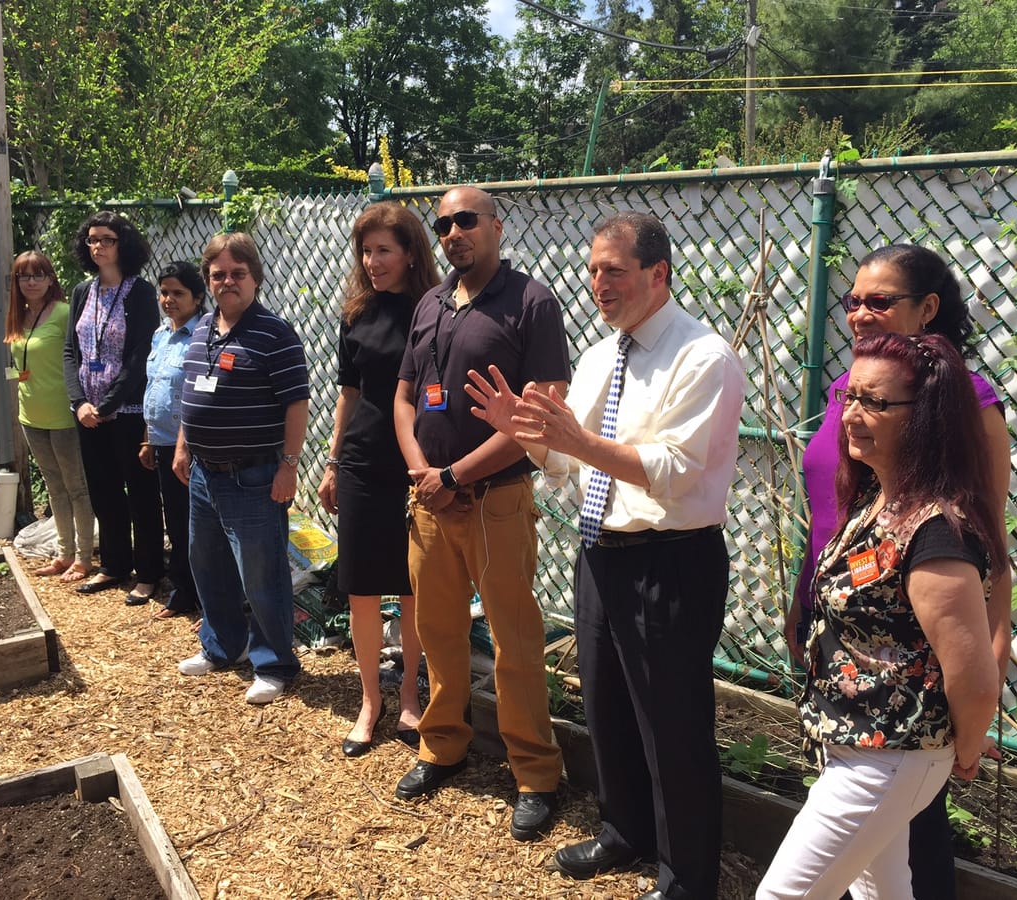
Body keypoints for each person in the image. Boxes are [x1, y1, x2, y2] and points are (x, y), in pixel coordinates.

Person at [466, 211, 746, 900]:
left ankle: (687, 882)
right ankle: (626, 834)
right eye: (592, 270)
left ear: (659, 274)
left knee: (673, 728)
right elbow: (566, 465)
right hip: (602, 554)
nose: (598, 283)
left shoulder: (702, 357)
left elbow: (674, 470)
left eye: (612, 270)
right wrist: (527, 435)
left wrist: (579, 442)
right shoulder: (598, 358)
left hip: (670, 560)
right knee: (608, 708)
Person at [783, 243, 1012, 899]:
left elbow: (983, 539)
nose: (858, 313)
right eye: (852, 301)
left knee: (910, 834)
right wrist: (809, 605)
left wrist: (989, 649)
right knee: (878, 867)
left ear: (929, 309)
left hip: (909, 655)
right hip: (844, 610)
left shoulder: (963, 404)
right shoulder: (849, 393)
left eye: (878, 301)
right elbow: (834, 509)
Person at [392, 186, 568, 841]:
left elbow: (539, 415)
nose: (453, 232)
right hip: (429, 504)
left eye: (466, 220)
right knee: (437, 633)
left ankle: (537, 774)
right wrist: (421, 471)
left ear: (496, 224)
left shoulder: (531, 303)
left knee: (514, 643)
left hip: (496, 505)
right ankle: (442, 745)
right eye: (442, 224)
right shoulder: (431, 304)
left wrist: (455, 475)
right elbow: (404, 398)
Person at [317, 204, 439, 756]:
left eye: (384, 250)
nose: (372, 262)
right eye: (366, 252)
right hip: (364, 462)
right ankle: (371, 700)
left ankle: (411, 696)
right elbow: (349, 394)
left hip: (417, 465)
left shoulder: (434, 311)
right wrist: (332, 462)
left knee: (414, 589)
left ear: (411, 252)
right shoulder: (356, 313)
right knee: (362, 588)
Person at [173, 232, 309, 705]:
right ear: (208, 280)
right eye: (218, 274)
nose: (227, 281)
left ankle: (274, 664)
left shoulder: (274, 333)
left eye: (237, 273)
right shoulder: (203, 327)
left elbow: (297, 404)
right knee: (206, 564)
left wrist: (288, 466)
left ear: (254, 278)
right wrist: (183, 446)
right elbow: (193, 393)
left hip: (252, 475)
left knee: (261, 572)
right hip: (204, 474)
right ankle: (221, 646)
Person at [63, 210, 164, 603]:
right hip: (88, 415)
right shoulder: (82, 292)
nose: (98, 246)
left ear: (123, 244)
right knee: (103, 490)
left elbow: (142, 355)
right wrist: (80, 403)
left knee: (140, 493)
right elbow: (70, 351)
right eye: (92, 240)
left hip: (127, 412)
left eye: (106, 239)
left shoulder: (140, 292)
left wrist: (107, 403)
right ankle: (114, 564)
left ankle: (149, 571)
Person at [5, 251, 94, 584]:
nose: (30, 282)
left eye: (38, 275)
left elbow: (80, 362)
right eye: (23, 276)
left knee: (76, 489)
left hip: (62, 415)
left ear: (50, 279)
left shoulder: (63, 314)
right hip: (31, 415)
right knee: (55, 489)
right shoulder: (19, 316)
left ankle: (84, 558)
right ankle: (63, 554)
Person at [140, 261, 206, 619]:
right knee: (177, 522)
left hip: (191, 447)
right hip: (162, 442)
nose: (169, 299)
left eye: (177, 293)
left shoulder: (202, 336)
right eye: (164, 292)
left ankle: (197, 592)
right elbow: (154, 390)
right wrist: (147, 439)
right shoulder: (160, 335)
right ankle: (184, 589)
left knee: (195, 524)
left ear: (197, 297)